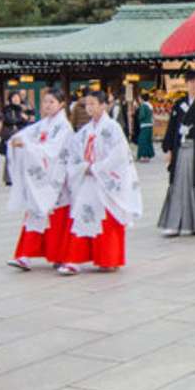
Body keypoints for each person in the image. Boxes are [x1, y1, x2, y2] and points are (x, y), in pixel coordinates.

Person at [65, 90, 143, 270]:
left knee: (107, 220)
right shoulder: (86, 130)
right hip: (90, 179)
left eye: (93, 103)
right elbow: (74, 150)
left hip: (106, 180)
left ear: (103, 105)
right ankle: (75, 258)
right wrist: (83, 167)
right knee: (82, 215)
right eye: (87, 104)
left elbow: (119, 155)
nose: (89, 107)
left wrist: (97, 168)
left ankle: (109, 259)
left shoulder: (112, 128)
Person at [6, 88, 76, 273]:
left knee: (57, 218)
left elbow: (52, 150)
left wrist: (28, 145)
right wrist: (16, 141)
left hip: (57, 178)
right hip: (42, 177)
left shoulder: (64, 127)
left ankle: (59, 256)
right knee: (35, 214)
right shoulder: (42, 124)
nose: (47, 105)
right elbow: (25, 136)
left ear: (61, 104)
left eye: (51, 102)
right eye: (45, 101)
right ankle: (24, 255)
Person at [158, 69, 195, 237]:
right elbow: (172, 128)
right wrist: (169, 149)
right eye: (191, 81)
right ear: (186, 83)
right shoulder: (179, 104)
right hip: (180, 150)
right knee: (177, 186)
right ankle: (173, 224)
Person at [0, 92, 33, 185]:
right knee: (10, 157)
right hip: (10, 135)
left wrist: (25, 118)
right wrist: (21, 118)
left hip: (21, 134)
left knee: (22, 156)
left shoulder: (23, 108)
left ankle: (21, 176)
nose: (16, 99)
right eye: (14, 97)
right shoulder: (7, 109)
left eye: (17, 97)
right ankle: (9, 178)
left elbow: (29, 119)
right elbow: (9, 120)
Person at [134, 97, 155, 161]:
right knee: (148, 141)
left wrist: (138, 116)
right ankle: (148, 156)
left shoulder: (143, 105)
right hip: (150, 125)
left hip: (144, 125)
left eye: (140, 99)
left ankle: (143, 156)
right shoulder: (150, 105)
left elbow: (142, 116)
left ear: (142, 99)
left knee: (142, 141)